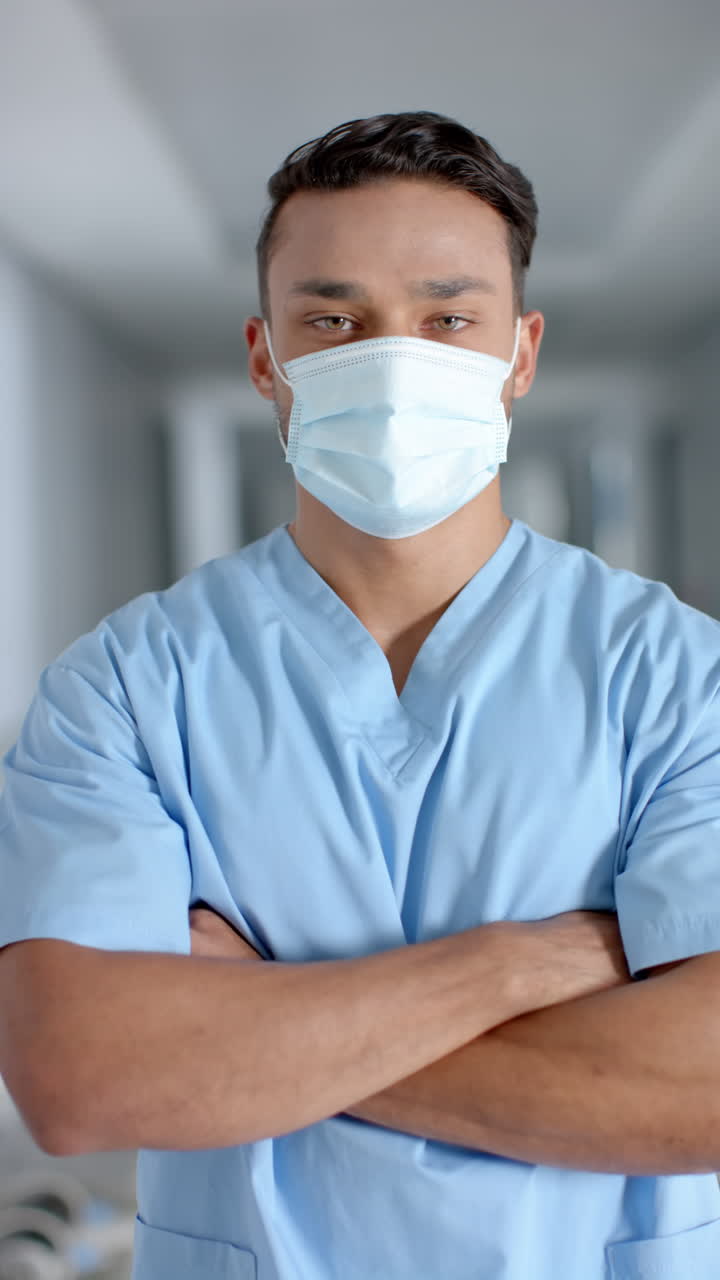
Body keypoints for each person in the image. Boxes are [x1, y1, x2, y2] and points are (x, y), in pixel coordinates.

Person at [1, 111, 720, 1280]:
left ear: (521, 354)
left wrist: (259, 1025)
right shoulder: (127, 686)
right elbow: (82, 1081)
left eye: (448, 319)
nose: (394, 361)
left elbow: (708, 1093)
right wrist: (524, 964)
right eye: (332, 321)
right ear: (263, 356)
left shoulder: (678, 676)